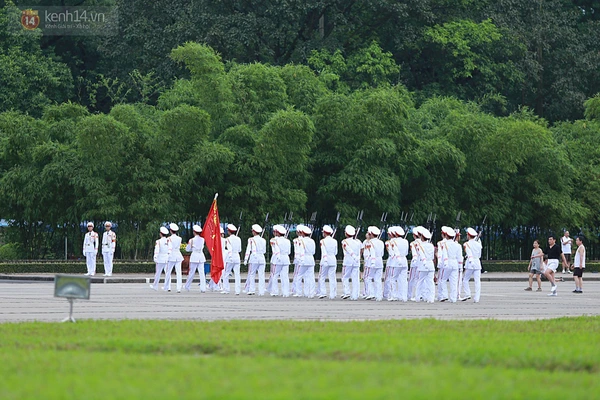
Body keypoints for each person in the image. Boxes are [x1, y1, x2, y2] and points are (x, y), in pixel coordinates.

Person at [267, 225, 291, 297]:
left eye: (274, 232)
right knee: (285, 276)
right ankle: (285, 292)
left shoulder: (274, 240)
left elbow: (274, 250)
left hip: (277, 259)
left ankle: (275, 291)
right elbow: (289, 252)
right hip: (286, 258)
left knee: (274, 275)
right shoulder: (287, 241)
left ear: (277, 233)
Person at [243, 224, 267, 296]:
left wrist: (246, 259)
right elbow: (264, 251)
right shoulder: (263, 240)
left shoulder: (251, 239)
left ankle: (251, 290)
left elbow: (248, 250)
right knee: (261, 275)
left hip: (254, 257)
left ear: (254, 231)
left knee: (252, 274)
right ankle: (261, 291)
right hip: (262, 257)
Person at [461, 227, 483, 303]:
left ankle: (467, 293)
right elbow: (479, 255)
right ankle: (477, 298)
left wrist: (470, 260)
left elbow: (469, 254)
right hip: (477, 262)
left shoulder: (466, 244)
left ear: (469, 235)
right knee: (477, 281)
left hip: (470, 263)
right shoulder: (478, 244)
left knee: (465, 279)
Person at [295, 225, 316, 298]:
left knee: (299, 276)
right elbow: (313, 252)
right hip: (311, 259)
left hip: (304, 259)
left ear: (303, 233)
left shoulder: (301, 241)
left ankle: (299, 292)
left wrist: (300, 259)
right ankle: (311, 293)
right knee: (311, 277)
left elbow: (301, 251)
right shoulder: (312, 241)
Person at [414, 228, 435, 303]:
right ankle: (431, 298)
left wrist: (424, 262)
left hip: (423, 265)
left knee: (420, 281)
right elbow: (432, 257)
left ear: (422, 237)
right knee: (430, 282)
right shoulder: (431, 246)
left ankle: (417, 297)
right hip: (430, 264)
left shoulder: (420, 246)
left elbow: (420, 255)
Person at [317, 225, 338, 299]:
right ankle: (333, 294)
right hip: (333, 259)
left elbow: (324, 252)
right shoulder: (335, 241)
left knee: (322, 277)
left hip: (325, 260)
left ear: (325, 233)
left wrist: (325, 260)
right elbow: (336, 252)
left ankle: (323, 292)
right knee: (332, 278)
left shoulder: (322, 241)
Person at [340, 225, 361, 300]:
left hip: (348, 261)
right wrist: (357, 258)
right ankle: (355, 295)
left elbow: (348, 250)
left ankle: (347, 292)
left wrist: (354, 256)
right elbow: (359, 252)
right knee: (355, 279)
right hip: (356, 262)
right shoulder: (357, 242)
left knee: (345, 277)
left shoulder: (344, 241)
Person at [184, 225, 206, 292]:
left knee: (191, 273)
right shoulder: (203, 239)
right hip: (201, 256)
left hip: (194, 256)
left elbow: (187, 249)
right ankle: (203, 288)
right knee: (201, 273)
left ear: (194, 232)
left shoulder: (192, 240)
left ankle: (187, 286)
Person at [221, 224, 242, 295]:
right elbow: (239, 249)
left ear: (229, 231)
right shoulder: (238, 239)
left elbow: (229, 249)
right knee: (237, 274)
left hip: (230, 257)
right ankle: (237, 290)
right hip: (237, 256)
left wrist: (230, 256)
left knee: (226, 273)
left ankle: (226, 289)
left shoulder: (228, 239)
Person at [163, 223, 184, 292]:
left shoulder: (168, 239)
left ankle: (168, 287)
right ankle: (179, 288)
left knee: (168, 272)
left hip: (171, 255)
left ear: (170, 231)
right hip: (178, 255)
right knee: (179, 272)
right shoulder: (179, 238)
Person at [445, 227, 462, 303]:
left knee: (442, 280)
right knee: (454, 281)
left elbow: (444, 255)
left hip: (448, 262)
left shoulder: (445, 244)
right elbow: (459, 257)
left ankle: (444, 295)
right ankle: (453, 298)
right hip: (455, 263)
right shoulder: (457, 245)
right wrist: (460, 266)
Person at [408, 226, 423, 301]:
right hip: (422, 263)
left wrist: (414, 260)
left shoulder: (413, 243)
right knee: (421, 279)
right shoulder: (424, 243)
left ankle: (411, 294)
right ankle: (421, 294)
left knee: (412, 279)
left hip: (415, 263)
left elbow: (414, 254)